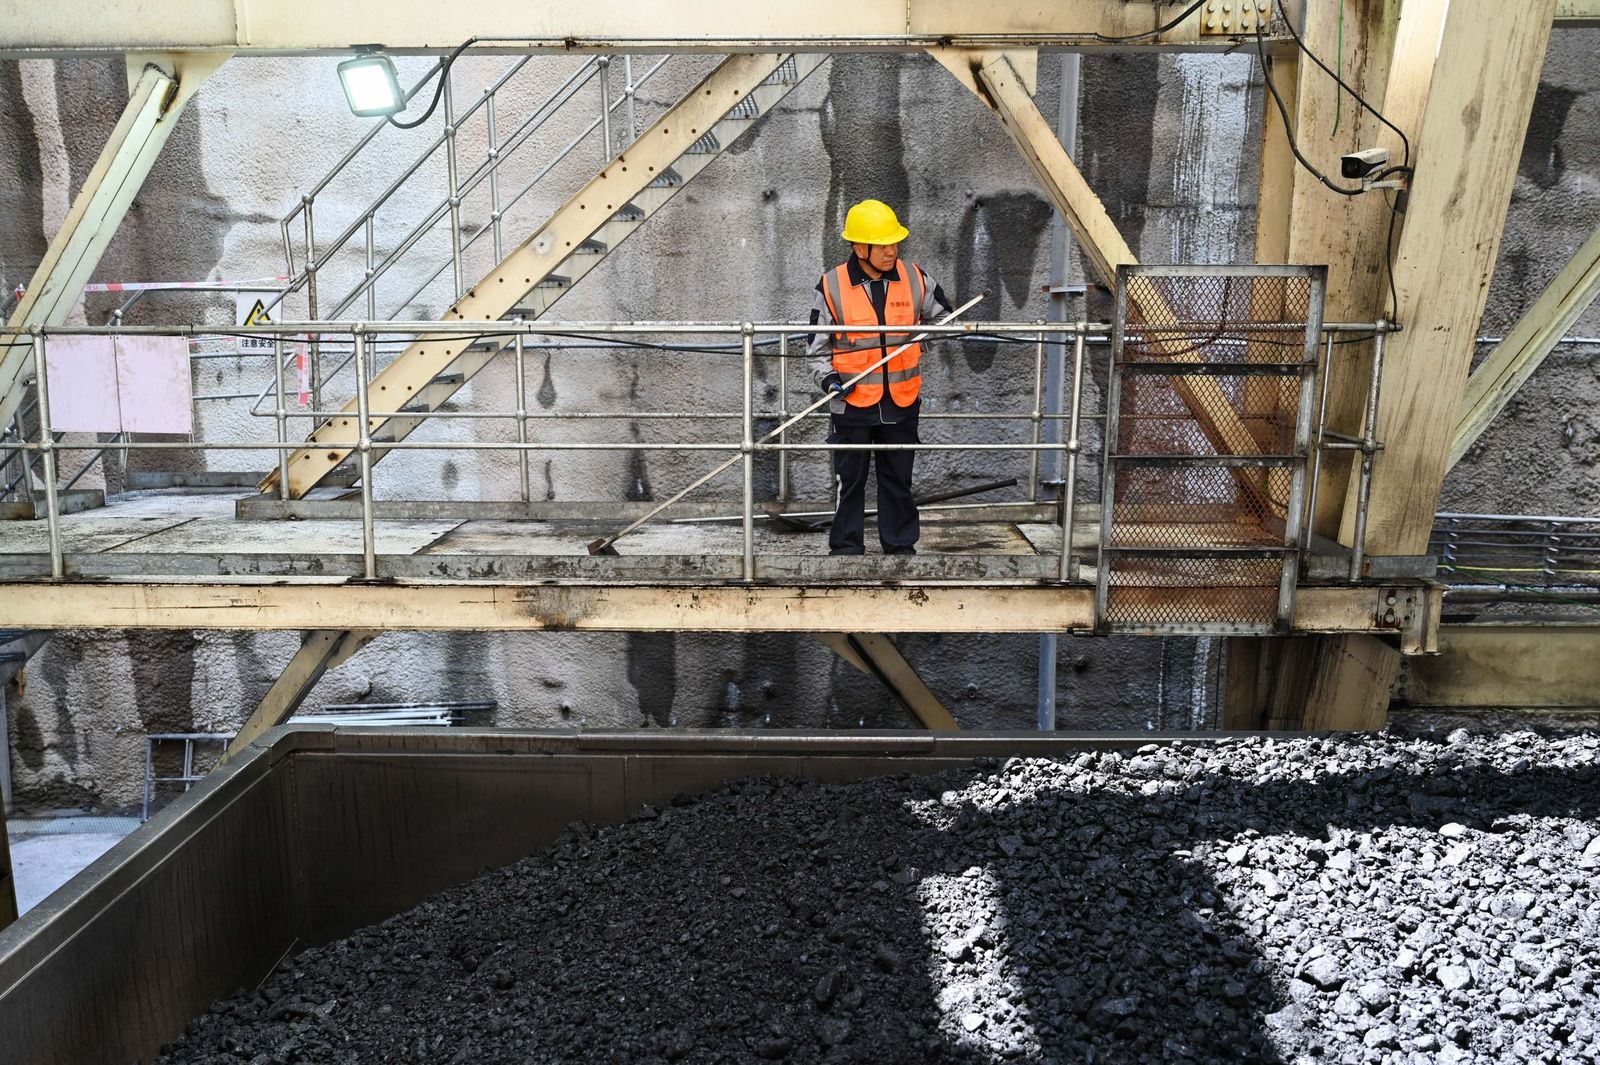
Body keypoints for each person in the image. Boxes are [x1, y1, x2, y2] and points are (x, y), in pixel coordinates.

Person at [807, 199, 953, 556]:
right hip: (852, 402)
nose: (893, 251)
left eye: (895, 242)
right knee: (850, 480)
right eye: (884, 244)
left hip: (902, 401)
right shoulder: (832, 286)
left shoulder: (915, 278)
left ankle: (900, 547)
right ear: (860, 248)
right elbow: (815, 347)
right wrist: (828, 382)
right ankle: (845, 549)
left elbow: (946, 319)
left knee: (898, 479)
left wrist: (924, 336)